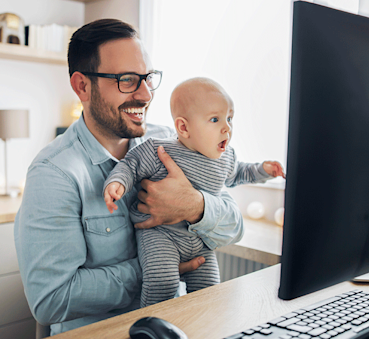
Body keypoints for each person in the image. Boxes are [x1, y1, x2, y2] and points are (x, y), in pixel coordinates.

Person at [14, 19, 245, 336]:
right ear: (82, 86)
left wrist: (194, 206)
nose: (146, 95)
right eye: (126, 80)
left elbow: (235, 228)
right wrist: (155, 269)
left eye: (148, 78)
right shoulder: (54, 174)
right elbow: (51, 300)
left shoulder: (171, 145)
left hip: (173, 332)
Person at [103, 77, 285, 307]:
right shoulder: (160, 149)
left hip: (200, 239)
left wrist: (263, 170)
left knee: (210, 291)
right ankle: (152, 326)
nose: (227, 127)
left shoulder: (225, 157)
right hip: (161, 235)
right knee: (163, 283)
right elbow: (131, 165)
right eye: (215, 119)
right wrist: (117, 182)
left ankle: (202, 334)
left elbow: (239, 174)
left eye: (230, 118)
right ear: (183, 127)